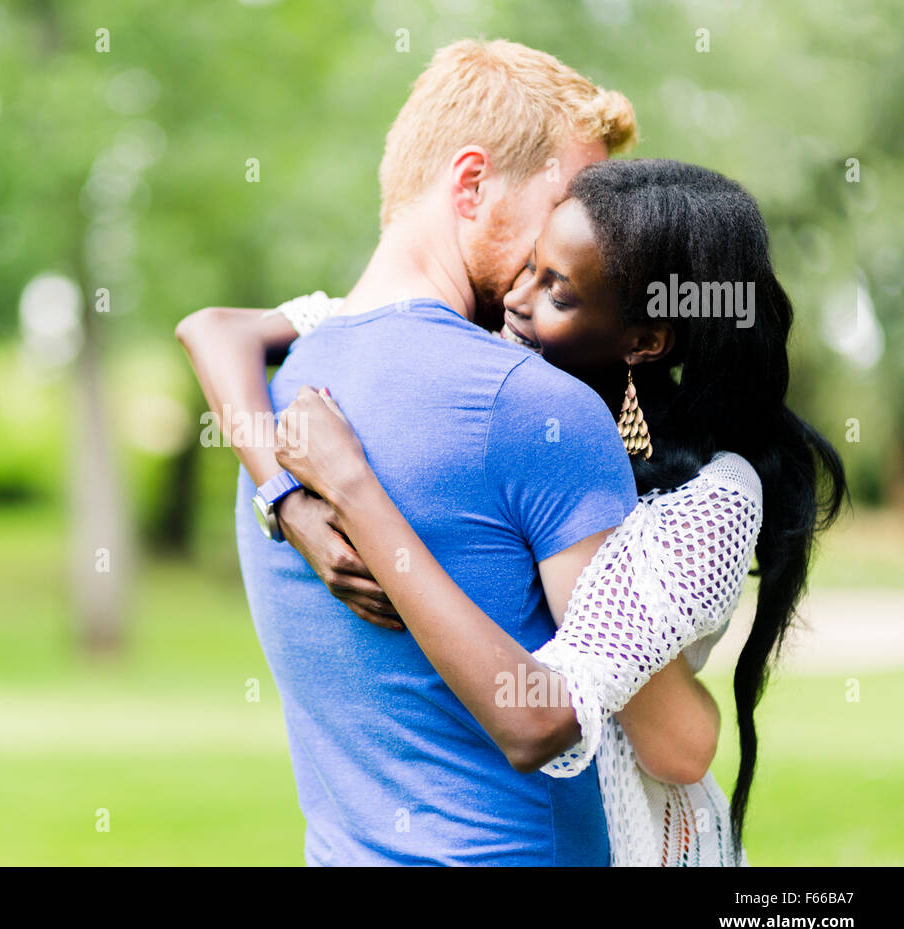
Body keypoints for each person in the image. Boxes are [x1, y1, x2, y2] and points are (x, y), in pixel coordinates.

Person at [182, 158, 847, 865]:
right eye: (527, 267)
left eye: (556, 289)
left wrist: (353, 491)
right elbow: (214, 330)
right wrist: (283, 500)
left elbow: (670, 745)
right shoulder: (494, 353)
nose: (513, 299)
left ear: (644, 340)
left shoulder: (711, 498)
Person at [179, 39, 648, 865]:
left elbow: (213, 326)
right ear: (471, 184)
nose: (590, 244)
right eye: (570, 204)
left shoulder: (279, 388)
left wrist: (284, 497)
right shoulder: (540, 407)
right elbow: (653, 730)